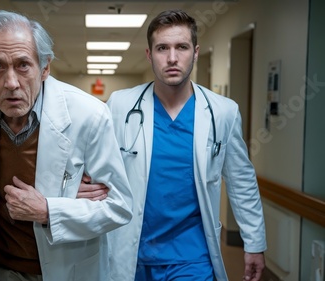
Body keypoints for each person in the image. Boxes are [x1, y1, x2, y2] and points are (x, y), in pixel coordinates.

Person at [0, 10, 133, 281]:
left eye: (23, 65)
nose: (11, 83)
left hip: (67, 271)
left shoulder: (89, 115)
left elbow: (119, 206)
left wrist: (49, 211)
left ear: (45, 68)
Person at [100, 9, 266, 281]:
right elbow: (98, 168)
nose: (172, 58)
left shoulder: (223, 112)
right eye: (162, 48)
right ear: (149, 54)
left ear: (196, 52)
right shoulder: (120, 105)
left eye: (182, 47)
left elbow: (241, 182)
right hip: (132, 252)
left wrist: (255, 243)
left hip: (193, 258)